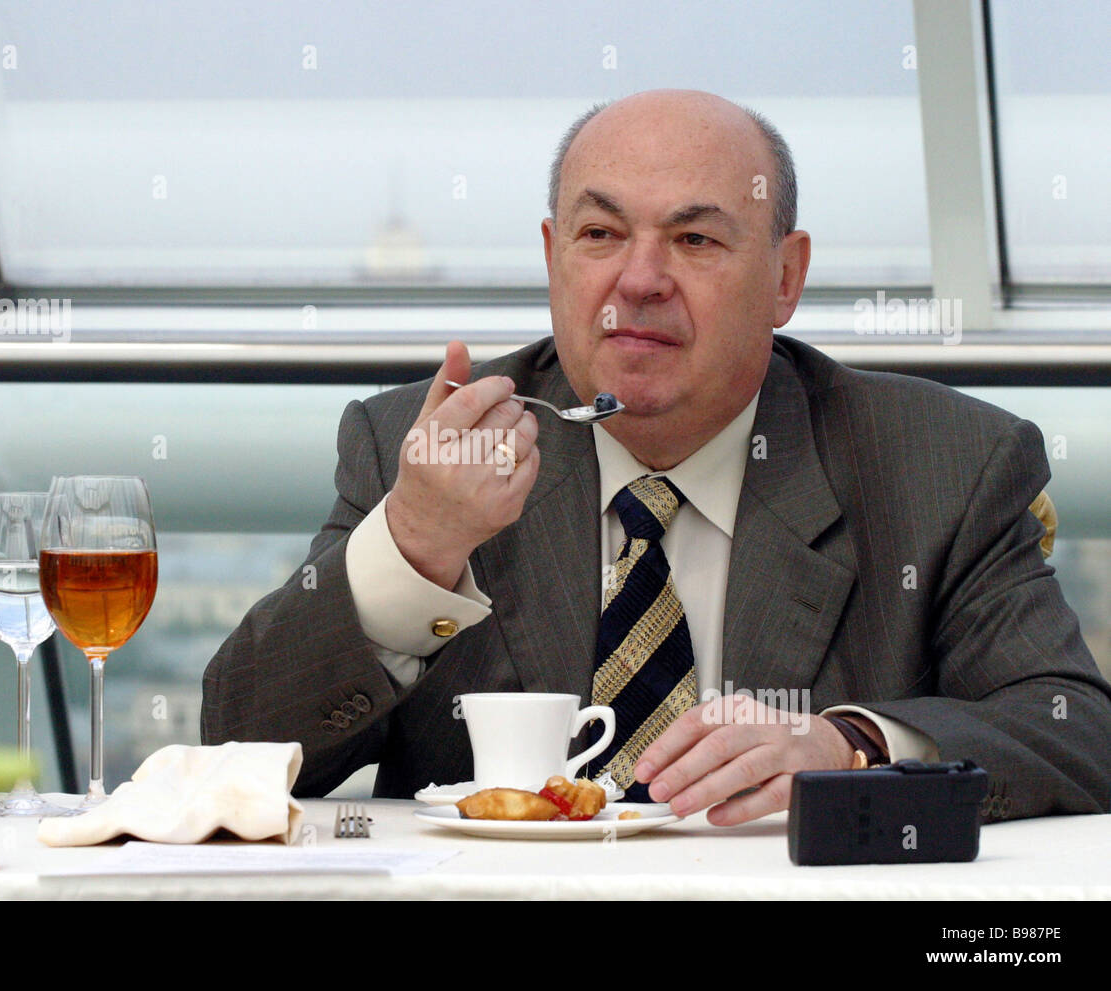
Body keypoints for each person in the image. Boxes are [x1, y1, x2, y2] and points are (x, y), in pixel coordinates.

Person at [202, 89, 1111, 823]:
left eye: (695, 239)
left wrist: (851, 747)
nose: (638, 280)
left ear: (785, 278)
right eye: (600, 235)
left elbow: (1076, 730)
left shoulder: (943, 463)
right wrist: (416, 547)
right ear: (556, 258)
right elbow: (239, 743)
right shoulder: (427, 446)